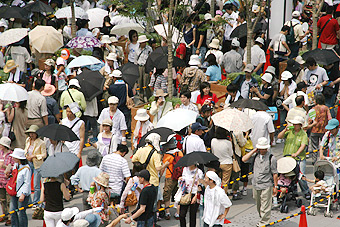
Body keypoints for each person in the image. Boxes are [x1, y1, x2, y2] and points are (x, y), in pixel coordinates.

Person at [242, 137, 278, 227]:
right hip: (256, 184)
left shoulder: (271, 158)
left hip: (266, 184)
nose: (262, 150)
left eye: (264, 148)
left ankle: (264, 222)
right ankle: (262, 218)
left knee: (265, 205)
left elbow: (275, 173)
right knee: (259, 204)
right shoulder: (255, 156)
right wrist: (254, 151)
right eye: (261, 149)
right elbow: (244, 159)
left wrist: (275, 186)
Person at [277, 116, 310, 199]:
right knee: (287, 175)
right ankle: (292, 191)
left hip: (299, 158)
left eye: (296, 124)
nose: (294, 125)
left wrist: (296, 153)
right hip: (287, 157)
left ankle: (306, 191)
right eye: (294, 124)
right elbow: (279, 137)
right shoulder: (289, 131)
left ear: (300, 125)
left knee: (300, 176)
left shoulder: (303, 134)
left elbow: (303, 145)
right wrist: (285, 130)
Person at [24, 125, 46, 206]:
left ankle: (36, 202)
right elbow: (25, 149)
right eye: (30, 133)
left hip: (37, 164)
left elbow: (44, 155)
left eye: (33, 133)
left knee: (36, 184)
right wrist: (26, 155)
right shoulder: (28, 140)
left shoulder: (41, 142)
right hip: (29, 163)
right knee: (27, 182)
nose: (31, 135)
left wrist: (34, 156)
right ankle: (28, 201)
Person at [161, 137, 183, 220]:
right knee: (178, 194)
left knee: (167, 194)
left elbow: (163, 167)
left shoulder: (167, 155)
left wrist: (160, 177)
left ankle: (167, 212)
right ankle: (178, 213)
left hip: (170, 176)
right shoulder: (180, 152)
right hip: (179, 176)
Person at [9, 148, 31, 227]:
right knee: (12, 211)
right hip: (14, 191)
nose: (13, 158)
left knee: (21, 212)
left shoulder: (26, 168)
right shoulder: (16, 165)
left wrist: (23, 194)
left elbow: (27, 182)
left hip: (22, 193)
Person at [108, 70, 134, 136]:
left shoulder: (112, 87)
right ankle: (126, 135)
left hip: (115, 109)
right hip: (125, 108)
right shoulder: (126, 86)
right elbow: (131, 95)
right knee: (125, 123)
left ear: (115, 78)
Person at [307, 94, 331, 164]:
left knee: (314, 146)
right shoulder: (326, 108)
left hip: (314, 130)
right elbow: (329, 118)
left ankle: (314, 160)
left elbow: (310, 120)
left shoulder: (313, 109)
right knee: (324, 146)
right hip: (324, 130)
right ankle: (325, 159)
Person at [211, 127, 233, 194]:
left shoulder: (213, 141)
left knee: (218, 181)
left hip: (217, 163)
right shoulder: (228, 143)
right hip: (227, 163)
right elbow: (231, 154)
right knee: (225, 182)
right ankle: (223, 195)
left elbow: (212, 151)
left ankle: (217, 194)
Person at [134, 35, 153, 102]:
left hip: (146, 66)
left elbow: (151, 59)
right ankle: (141, 98)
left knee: (146, 83)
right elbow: (135, 60)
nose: (144, 43)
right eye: (143, 42)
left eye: (145, 42)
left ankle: (148, 97)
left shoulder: (149, 49)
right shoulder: (137, 50)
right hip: (140, 66)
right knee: (140, 82)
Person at [0, 137, 12, 225]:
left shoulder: (11, 155)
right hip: (0, 180)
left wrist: (4, 166)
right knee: (2, 199)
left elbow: (13, 168)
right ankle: (4, 215)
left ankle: (10, 216)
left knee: (9, 201)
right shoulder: (0, 153)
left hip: (8, 180)